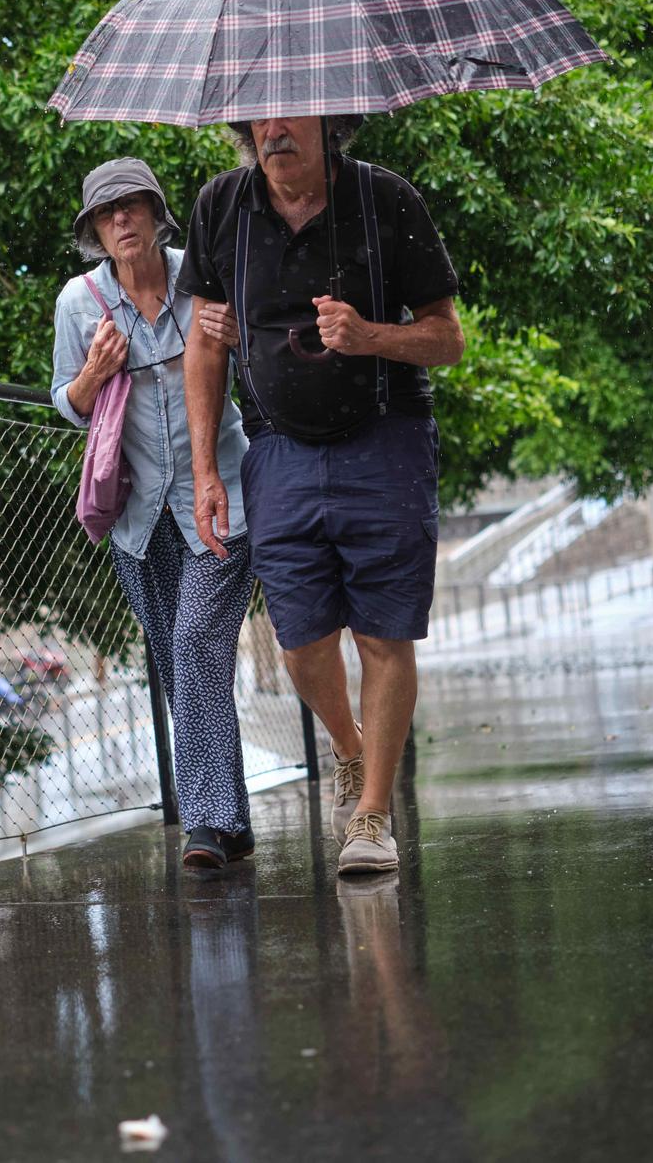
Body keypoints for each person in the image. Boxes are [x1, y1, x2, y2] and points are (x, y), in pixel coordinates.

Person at [180, 117, 464, 875]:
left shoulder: (386, 201)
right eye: (258, 117)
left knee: (382, 633)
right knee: (301, 640)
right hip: (277, 449)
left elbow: (447, 337)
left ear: (328, 121)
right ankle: (350, 744)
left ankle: (372, 815)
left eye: (291, 112)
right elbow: (204, 344)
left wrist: (372, 336)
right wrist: (206, 470)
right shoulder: (221, 207)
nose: (273, 130)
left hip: (386, 437)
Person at [51, 158, 256, 870]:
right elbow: (67, 404)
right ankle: (231, 818)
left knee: (198, 641)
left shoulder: (202, 277)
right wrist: (92, 374)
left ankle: (206, 822)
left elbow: (257, 361)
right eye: (108, 214)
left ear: (157, 213)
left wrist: (238, 337)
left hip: (220, 493)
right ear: (95, 233)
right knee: (180, 663)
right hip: (138, 517)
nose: (123, 221)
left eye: (133, 206)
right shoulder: (78, 304)